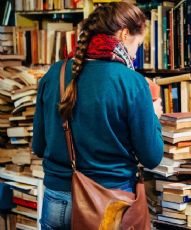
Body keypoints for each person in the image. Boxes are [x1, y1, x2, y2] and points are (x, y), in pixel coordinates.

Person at [32, 2, 164, 229]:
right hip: (108, 204)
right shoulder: (131, 82)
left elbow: (39, 146)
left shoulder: (55, 73)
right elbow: (152, 157)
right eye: (138, 45)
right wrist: (152, 116)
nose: (135, 53)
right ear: (124, 34)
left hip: (56, 199)